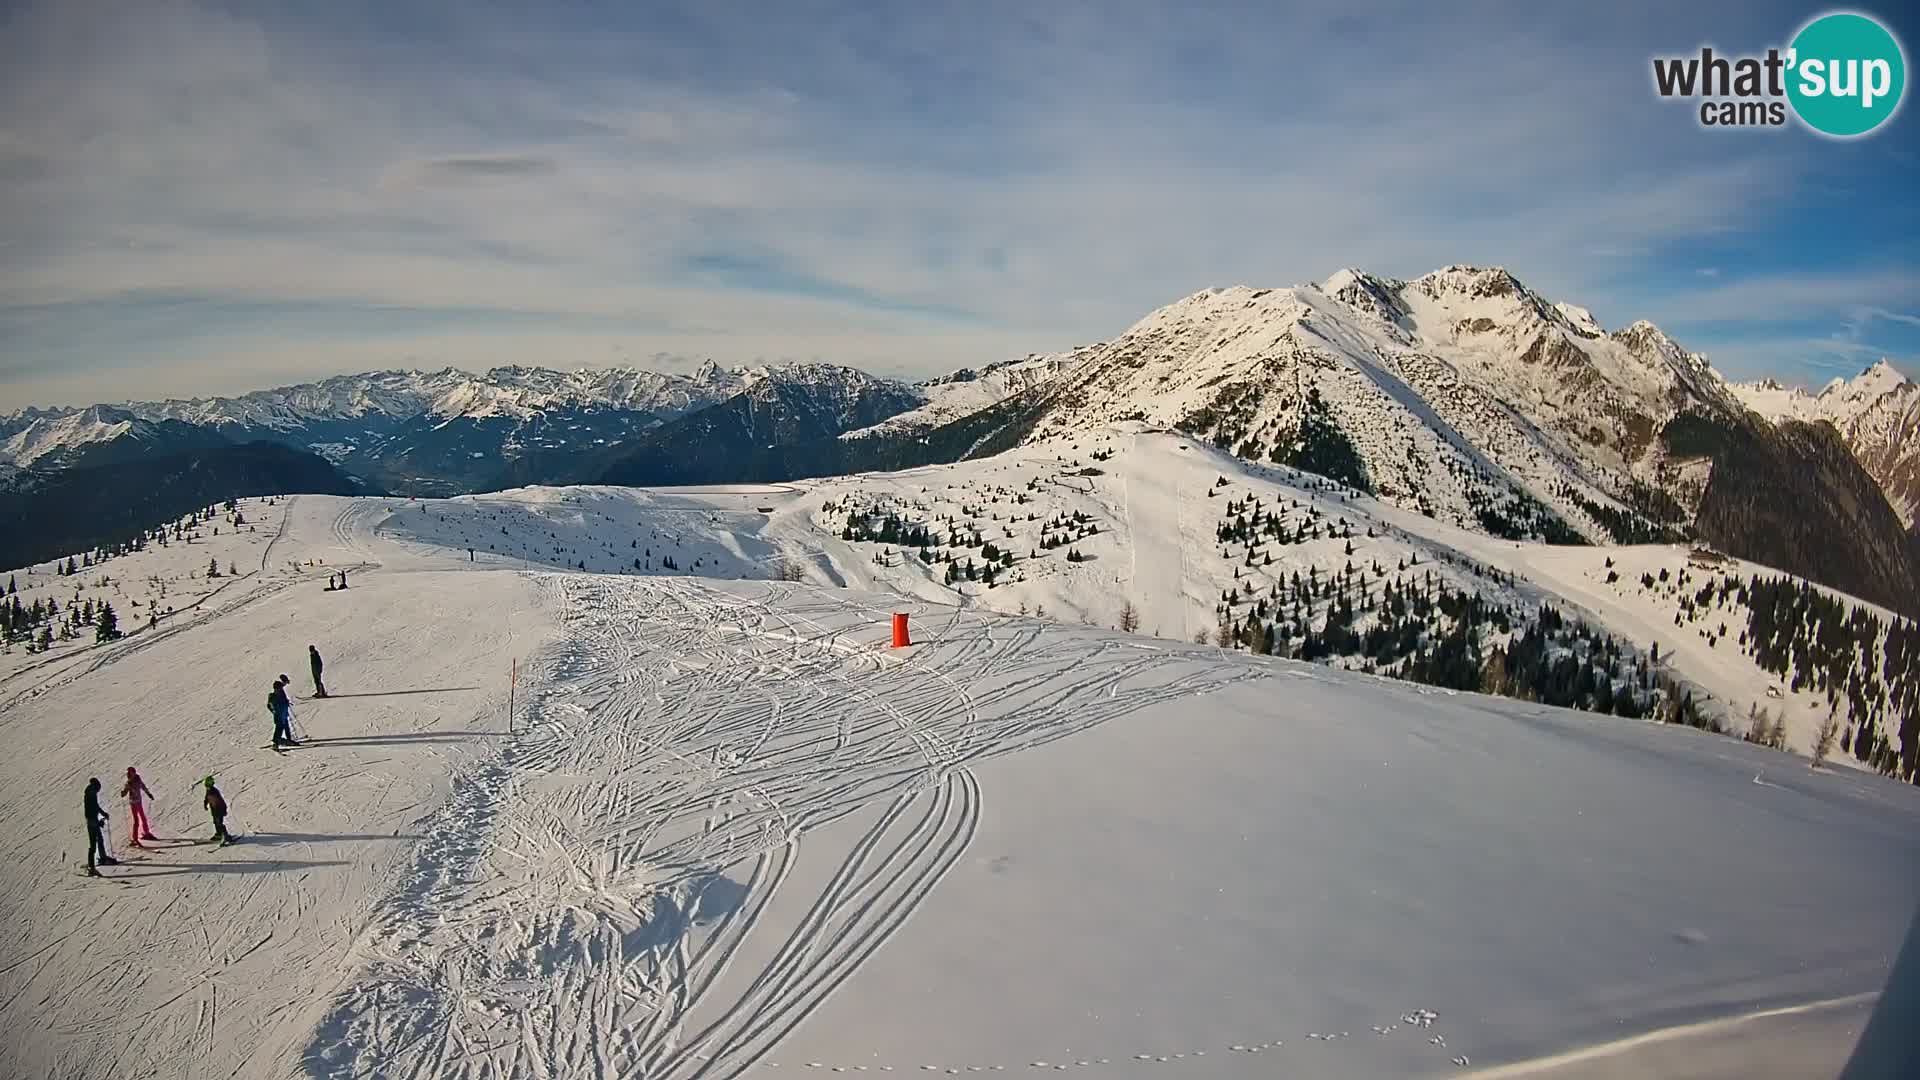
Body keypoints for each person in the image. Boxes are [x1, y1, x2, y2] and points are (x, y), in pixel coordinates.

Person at [83, 778, 115, 873]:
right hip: (93, 820)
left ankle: (99, 860)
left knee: (98, 840)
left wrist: (103, 814)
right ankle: (94, 865)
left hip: (91, 820)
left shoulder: (90, 793)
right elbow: (94, 808)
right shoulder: (92, 794)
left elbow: (95, 807)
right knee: (95, 843)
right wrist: (99, 821)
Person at [120, 766, 157, 847]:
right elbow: (125, 792)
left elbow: (143, 786)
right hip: (133, 803)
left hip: (138, 802)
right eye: (128, 773)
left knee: (142, 817)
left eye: (130, 773)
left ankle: (146, 833)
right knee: (136, 820)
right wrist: (123, 793)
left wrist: (149, 794)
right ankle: (135, 838)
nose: (128, 775)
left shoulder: (137, 780)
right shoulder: (129, 782)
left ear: (134, 773)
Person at [202, 776, 231, 844]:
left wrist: (224, 810)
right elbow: (207, 798)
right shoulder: (208, 790)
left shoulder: (214, 791)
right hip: (214, 810)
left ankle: (225, 836)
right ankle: (219, 834)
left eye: (207, 785)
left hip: (219, 810)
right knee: (215, 822)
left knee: (219, 823)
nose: (206, 787)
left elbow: (220, 801)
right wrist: (205, 804)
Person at [269, 676, 296, 747]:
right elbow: (269, 705)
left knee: (286, 727)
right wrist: (274, 711)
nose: (280, 689)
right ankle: (276, 742)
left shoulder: (280, 693)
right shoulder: (273, 696)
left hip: (284, 714)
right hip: (279, 716)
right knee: (279, 729)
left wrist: (286, 702)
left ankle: (288, 740)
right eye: (279, 688)